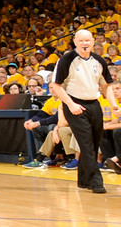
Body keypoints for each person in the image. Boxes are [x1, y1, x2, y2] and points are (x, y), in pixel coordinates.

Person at [50, 29, 118, 193]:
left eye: (87, 40)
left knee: (95, 143)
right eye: (81, 41)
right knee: (86, 144)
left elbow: (105, 86)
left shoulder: (99, 61)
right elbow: (56, 86)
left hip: (94, 104)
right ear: (75, 42)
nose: (85, 43)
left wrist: (115, 105)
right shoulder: (67, 60)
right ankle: (96, 182)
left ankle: (84, 180)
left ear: (93, 42)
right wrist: (71, 105)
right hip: (74, 103)